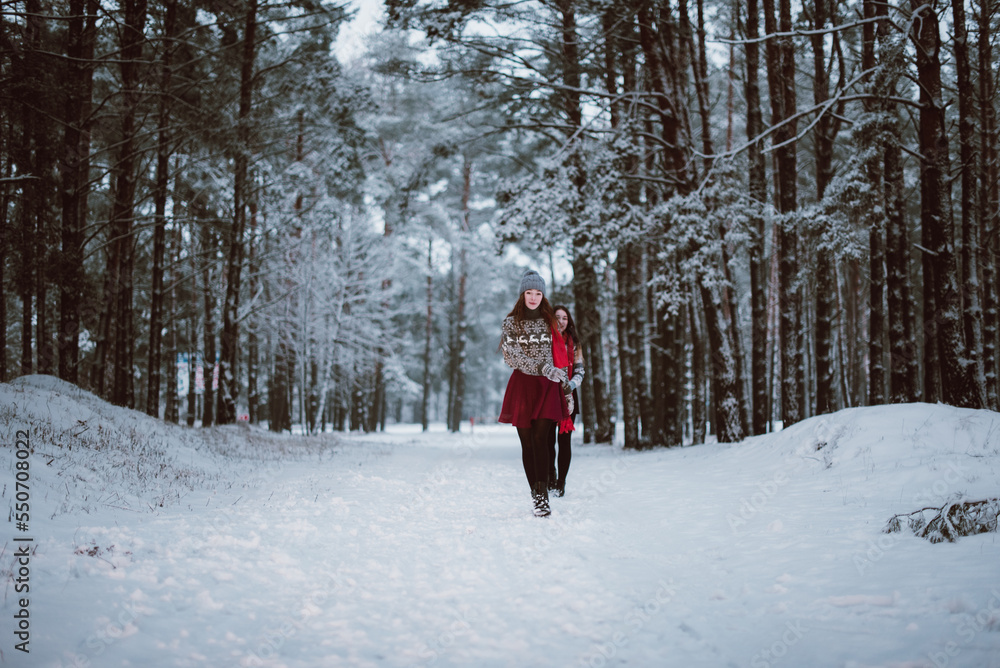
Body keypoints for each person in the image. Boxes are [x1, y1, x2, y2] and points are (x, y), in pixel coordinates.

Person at [498, 270, 572, 517]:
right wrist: (541, 367)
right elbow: (512, 356)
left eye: (538, 293)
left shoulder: (550, 321)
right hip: (523, 387)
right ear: (522, 294)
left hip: (548, 386)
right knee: (528, 443)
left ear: (543, 295)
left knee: (543, 441)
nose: (533, 297)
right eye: (529, 292)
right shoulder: (511, 323)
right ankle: (536, 494)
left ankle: (543, 499)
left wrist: (567, 392)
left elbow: (560, 357)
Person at [546, 305, 583, 497]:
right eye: (557, 317)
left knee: (565, 440)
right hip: (550, 395)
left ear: (569, 322)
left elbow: (580, 370)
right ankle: (550, 476)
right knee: (548, 440)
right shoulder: (546, 341)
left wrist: (571, 385)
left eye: (565, 318)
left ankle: (561, 482)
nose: (561, 321)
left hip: (569, 395)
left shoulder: (574, 343)